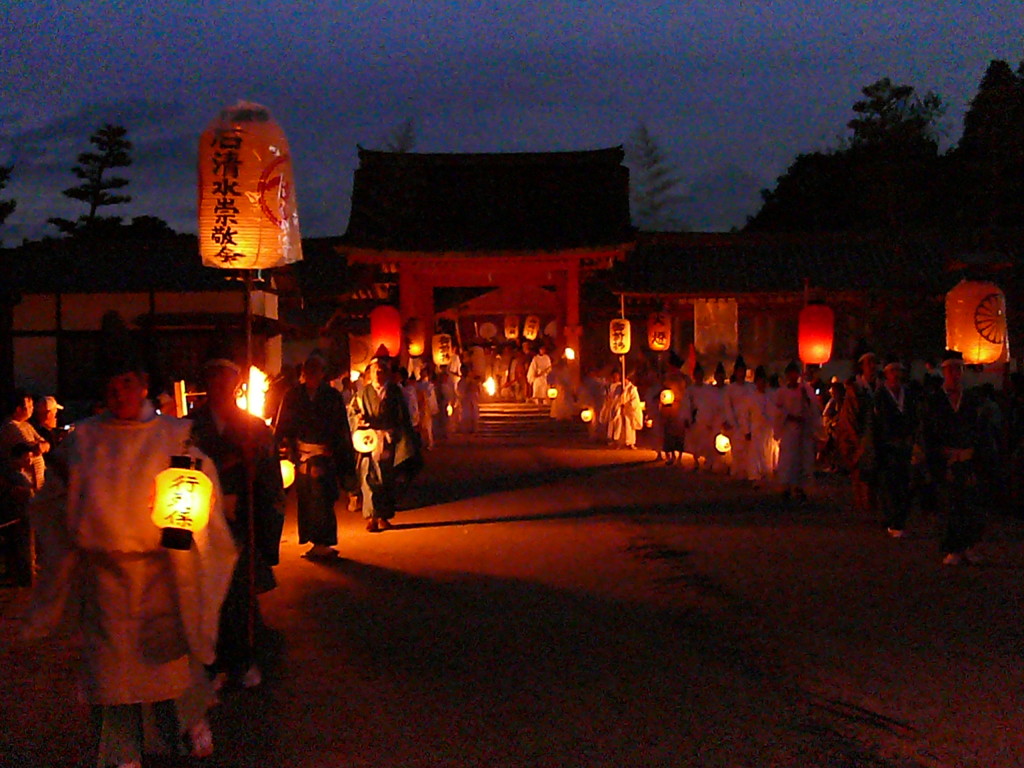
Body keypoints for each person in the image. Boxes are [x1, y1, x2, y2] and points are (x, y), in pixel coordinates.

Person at [24, 349, 237, 768]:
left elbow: (199, 484)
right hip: (104, 579)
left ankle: (180, 734)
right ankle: (122, 755)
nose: (117, 390)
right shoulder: (84, 438)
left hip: (158, 576)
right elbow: (54, 497)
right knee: (111, 679)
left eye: (125, 381)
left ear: (142, 384)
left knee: (166, 668)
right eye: (111, 382)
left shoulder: (174, 436)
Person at [189, 357, 285, 688]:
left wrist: (265, 521)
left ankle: (243, 659)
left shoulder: (253, 427)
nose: (218, 385)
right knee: (206, 594)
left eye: (225, 378)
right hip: (203, 518)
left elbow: (270, 480)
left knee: (241, 592)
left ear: (235, 382)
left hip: (242, 519)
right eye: (212, 378)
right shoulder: (188, 427)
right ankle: (211, 661)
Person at [275, 353, 356, 559]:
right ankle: (313, 541)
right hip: (301, 454)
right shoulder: (293, 395)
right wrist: (281, 445)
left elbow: (340, 428)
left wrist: (339, 453)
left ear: (322, 373)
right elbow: (283, 423)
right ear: (303, 372)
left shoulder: (332, 396)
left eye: (316, 370)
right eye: (308, 370)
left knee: (323, 498)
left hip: (324, 453)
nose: (311, 374)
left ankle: (324, 543)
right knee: (306, 499)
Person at [919, 352, 984, 565]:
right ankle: (952, 547)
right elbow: (927, 433)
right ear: (944, 372)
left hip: (967, 457)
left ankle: (969, 545)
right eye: (951, 370)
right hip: (945, 458)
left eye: (958, 369)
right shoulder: (934, 400)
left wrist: (973, 452)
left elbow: (980, 430)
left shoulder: (971, 400)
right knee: (949, 505)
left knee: (970, 505)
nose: (955, 374)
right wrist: (938, 455)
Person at [353, 356, 421, 531]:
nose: (377, 374)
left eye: (381, 371)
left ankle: (383, 515)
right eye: (374, 371)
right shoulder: (362, 393)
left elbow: (402, 416)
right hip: (368, 439)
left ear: (387, 373)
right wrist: (358, 420)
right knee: (368, 477)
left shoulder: (395, 392)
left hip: (388, 438)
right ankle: (371, 515)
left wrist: (402, 438)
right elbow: (353, 412)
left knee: (386, 478)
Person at [872, 361, 917, 538]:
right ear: (887, 374)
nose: (896, 375)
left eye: (899, 371)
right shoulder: (880, 395)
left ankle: (899, 519)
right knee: (889, 485)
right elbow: (876, 424)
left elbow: (914, 417)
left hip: (905, 445)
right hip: (887, 446)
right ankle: (892, 520)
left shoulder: (909, 394)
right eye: (893, 372)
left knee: (905, 484)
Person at [774, 361, 822, 501]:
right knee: (789, 459)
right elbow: (778, 411)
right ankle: (786, 487)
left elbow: (813, 407)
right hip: (789, 430)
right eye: (790, 374)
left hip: (803, 430)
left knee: (803, 459)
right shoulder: (782, 392)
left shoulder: (805, 389)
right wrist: (788, 417)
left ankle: (800, 487)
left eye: (795, 373)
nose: (793, 376)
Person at [0, 442, 34, 586]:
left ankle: (20, 573)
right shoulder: (11, 476)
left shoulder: (23, 473)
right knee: (22, 547)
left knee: (22, 546)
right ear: (15, 459)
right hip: (18, 515)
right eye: (25, 458)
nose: (29, 461)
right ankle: (25, 577)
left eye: (30, 458)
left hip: (25, 514)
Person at [1, 389, 48, 491]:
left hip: (37, 481)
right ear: (18, 409)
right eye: (29, 406)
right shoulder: (10, 427)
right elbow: (30, 447)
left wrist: (42, 446)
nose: (32, 409)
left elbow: (45, 444)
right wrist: (37, 447)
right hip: (24, 483)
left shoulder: (26, 425)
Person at [604, 369, 643, 449]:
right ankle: (618, 442)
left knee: (629, 426)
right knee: (619, 426)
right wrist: (618, 405)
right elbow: (615, 399)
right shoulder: (618, 387)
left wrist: (627, 405)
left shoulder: (632, 388)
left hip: (628, 411)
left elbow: (634, 401)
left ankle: (630, 443)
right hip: (619, 410)